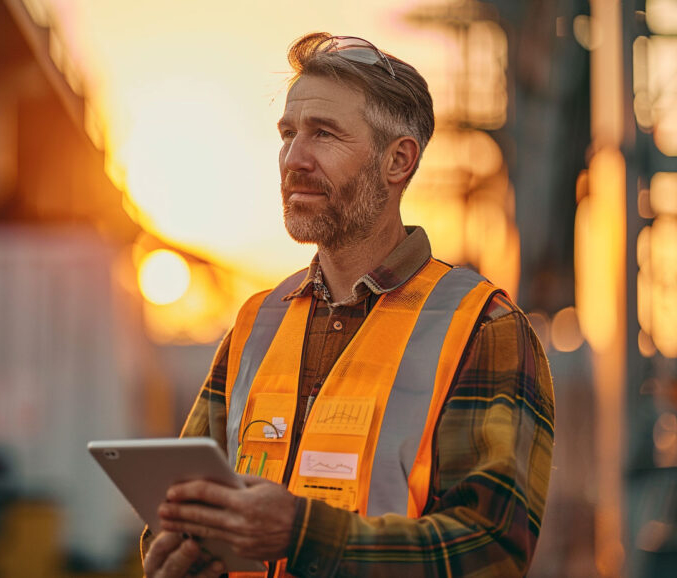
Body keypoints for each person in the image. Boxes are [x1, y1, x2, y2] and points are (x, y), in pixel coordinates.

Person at [142, 32, 554, 578]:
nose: (293, 158)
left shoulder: (483, 328)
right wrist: (176, 553)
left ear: (398, 160)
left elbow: (491, 553)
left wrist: (301, 535)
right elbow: (184, 508)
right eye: (287, 133)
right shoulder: (256, 323)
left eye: (324, 134)